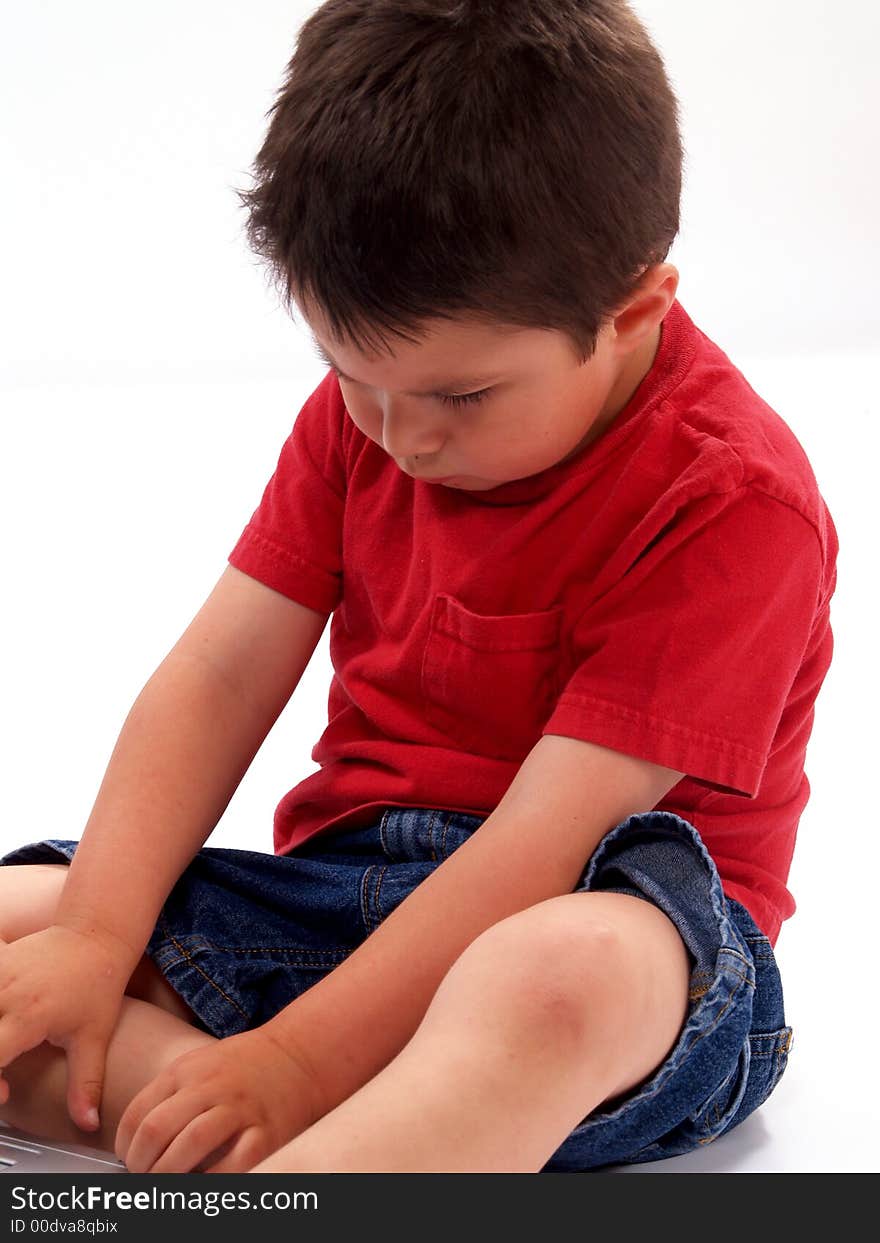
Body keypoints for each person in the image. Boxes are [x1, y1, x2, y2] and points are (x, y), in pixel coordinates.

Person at [0, 0, 837, 1174]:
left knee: (563, 973)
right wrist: (94, 933)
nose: (401, 438)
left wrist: (294, 1059)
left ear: (633, 306)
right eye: (349, 376)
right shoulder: (373, 424)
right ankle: (311, 1128)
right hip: (344, 904)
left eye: (461, 397)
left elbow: (545, 844)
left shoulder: (729, 501)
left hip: (619, 942)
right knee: (22, 932)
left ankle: (320, 1142)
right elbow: (218, 673)